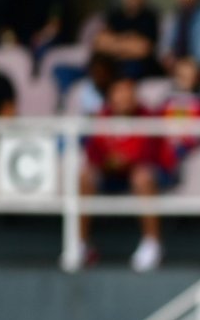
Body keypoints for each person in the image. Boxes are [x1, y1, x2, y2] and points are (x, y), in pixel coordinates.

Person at [63, 76, 176, 272]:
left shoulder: (148, 118)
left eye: (127, 92)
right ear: (111, 96)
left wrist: (126, 160)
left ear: (134, 95)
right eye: (119, 92)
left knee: (142, 177)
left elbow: (150, 154)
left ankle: (152, 244)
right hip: (111, 174)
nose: (123, 97)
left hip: (147, 174)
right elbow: (93, 152)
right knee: (85, 175)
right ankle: (81, 244)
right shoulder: (101, 117)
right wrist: (109, 162)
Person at [91, 0, 162, 80]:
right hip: (112, 65)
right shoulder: (114, 15)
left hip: (137, 68)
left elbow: (143, 49)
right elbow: (100, 42)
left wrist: (114, 43)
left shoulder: (150, 17)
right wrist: (127, 41)